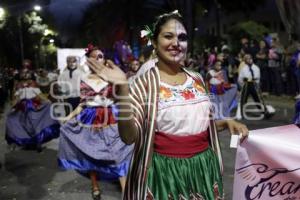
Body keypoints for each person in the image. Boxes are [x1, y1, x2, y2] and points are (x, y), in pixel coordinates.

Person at [87, 11, 248, 200]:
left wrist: (226, 122)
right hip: (165, 173)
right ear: (154, 43)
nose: (176, 43)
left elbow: (199, 124)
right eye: (168, 36)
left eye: (182, 37)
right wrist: (122, 90)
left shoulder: (196, 78)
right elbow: (129, 137)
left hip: (203, 168)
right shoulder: (143, 83)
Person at [58, 44, 133, 200]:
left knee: (119, 154)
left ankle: (126, 192)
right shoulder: (84, 80)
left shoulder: (112, 76)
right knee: (91, 154)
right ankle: (95, 186)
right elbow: (82, 104)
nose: (99, 59)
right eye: (96, 56)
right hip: (90, 119)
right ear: (89, 60)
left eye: (101, 56)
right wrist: (68, 117)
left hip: (111, 117)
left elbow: (122, 98)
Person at [5, 68, 60, 152]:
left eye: (26, 73)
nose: (24, 74)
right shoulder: (18, 84)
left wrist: (48, 101)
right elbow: (16, 98)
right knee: (15, 120)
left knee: (33, 123)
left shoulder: (33, 84)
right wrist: (14, 104)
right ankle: (24, 142)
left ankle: (37, 142)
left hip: (32, 106)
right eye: (23, 73)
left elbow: (39, 94)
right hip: (21, 106)